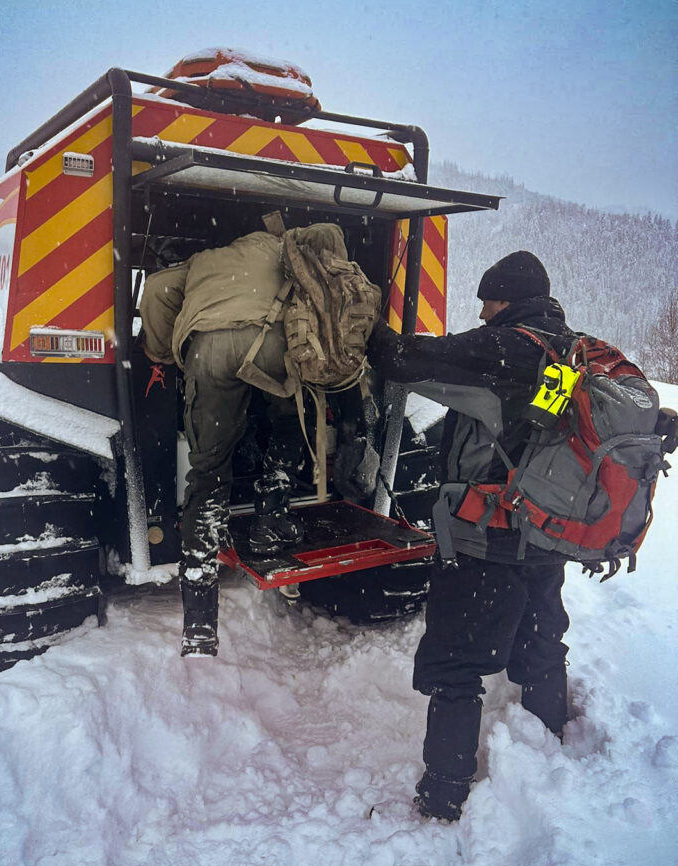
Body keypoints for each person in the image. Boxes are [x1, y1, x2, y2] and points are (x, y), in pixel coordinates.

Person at [368, 250, 575, 821]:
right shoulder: (571, 350)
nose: (482, 312)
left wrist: (364, 313)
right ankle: (549, 749)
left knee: (456, 663)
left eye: (488, 300)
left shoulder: (500, 349)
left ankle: (444, 792)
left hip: (488, 536)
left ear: (506, 299)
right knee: (540, 640)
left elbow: (401, 359)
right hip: (546, 531)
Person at [140, 223, 348, 658]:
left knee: (208, 469)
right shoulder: (291, 252)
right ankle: (269, 520)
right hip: (273, 344)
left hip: (209, 348)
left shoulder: (204, 260)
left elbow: (157, 290)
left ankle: (199, 624)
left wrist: (160, 352)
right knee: (292, 418)